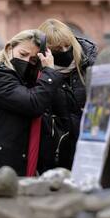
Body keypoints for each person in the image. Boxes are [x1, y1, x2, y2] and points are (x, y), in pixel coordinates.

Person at [0, 29, 63, 176]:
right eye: (23, 54)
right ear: (9, 48)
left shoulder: (24, 79)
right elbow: (33, 104)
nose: (26, 61)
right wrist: (49, 72)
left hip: (14, 162)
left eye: (33, 60)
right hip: (2, 167)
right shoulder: (0, 75)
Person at [37, 19, 97, 173]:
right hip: (55, 151)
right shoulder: (37, 72)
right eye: (57, 48)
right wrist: (48, 73)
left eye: (67, 45)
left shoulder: (89, 64)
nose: (64, 51)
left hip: (89, 147)